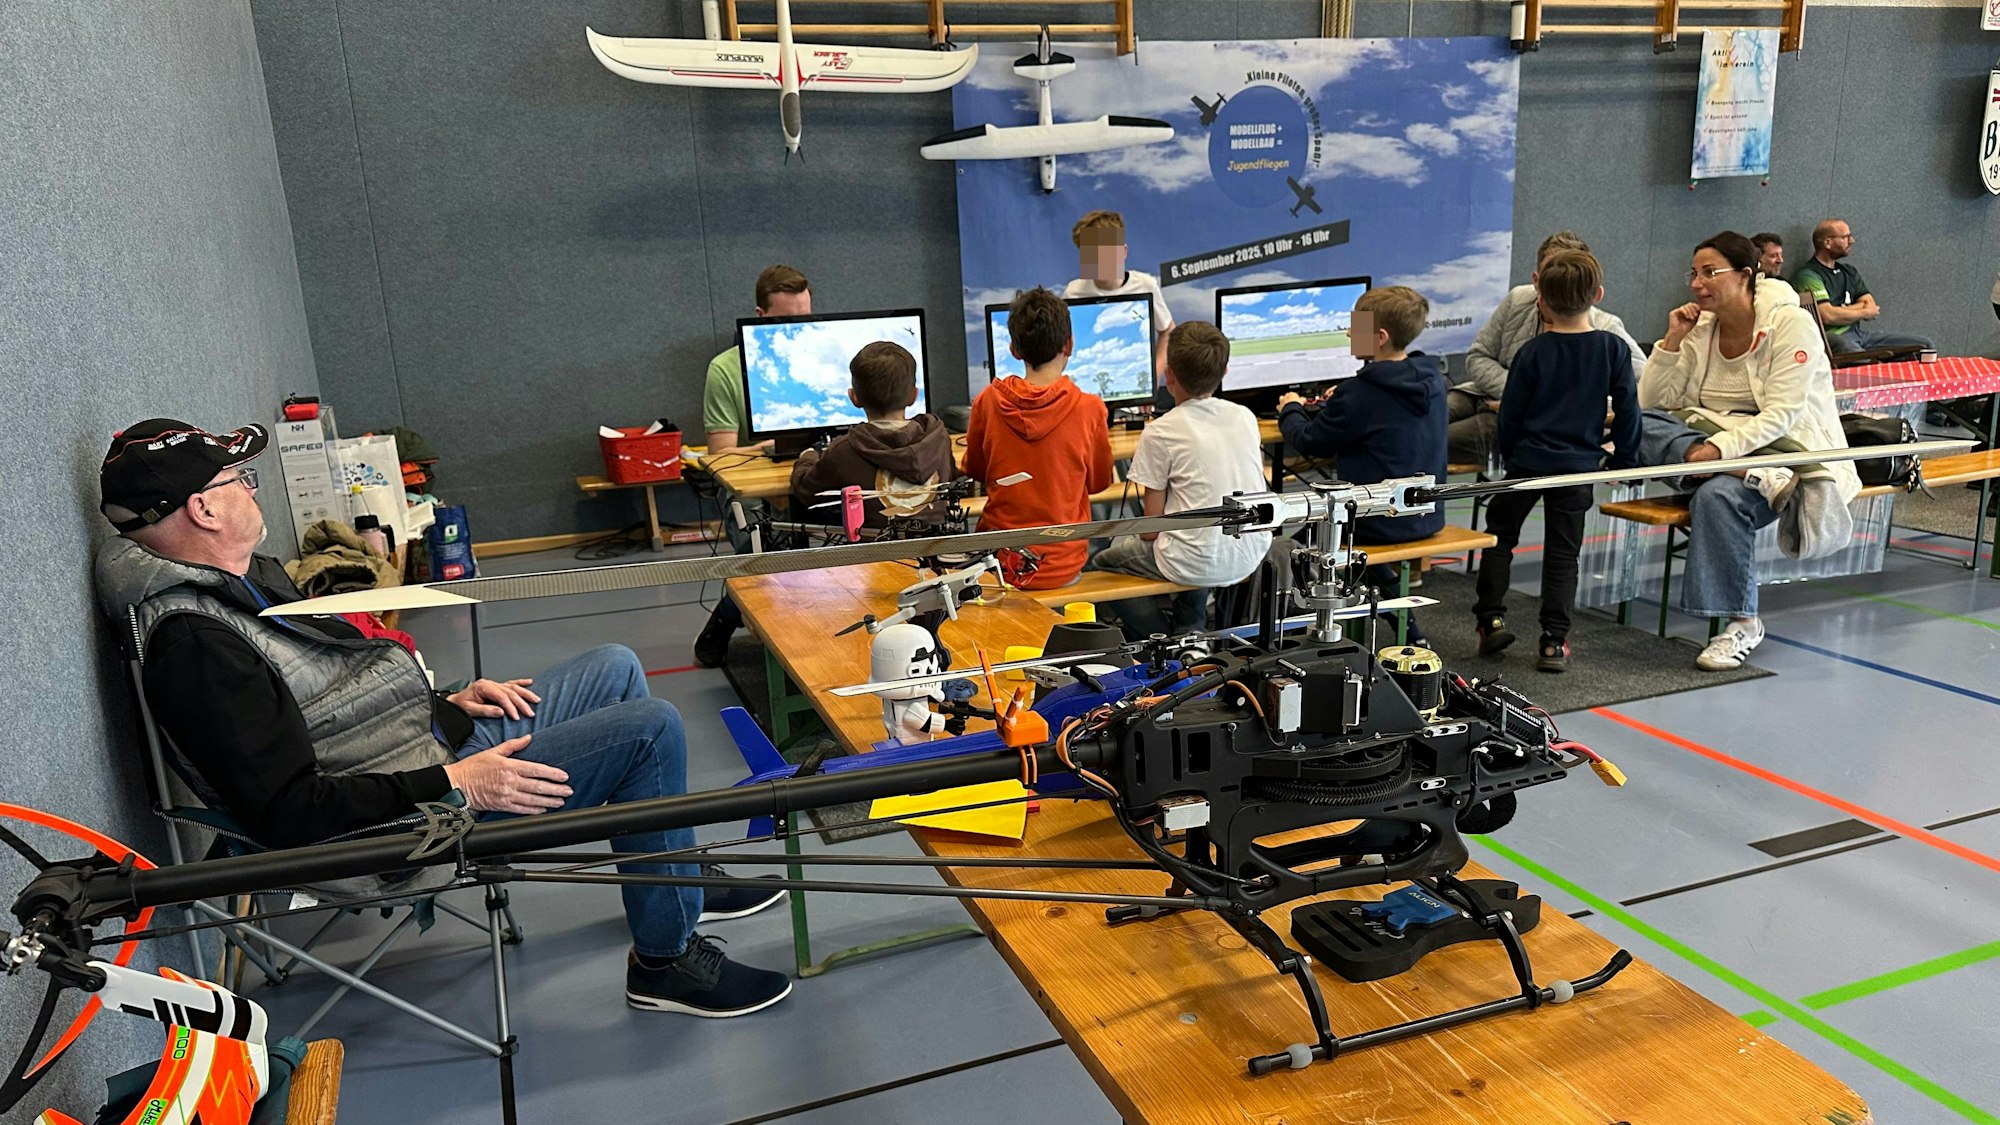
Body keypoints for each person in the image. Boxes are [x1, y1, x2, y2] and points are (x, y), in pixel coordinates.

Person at [92, 419, 791, 1017]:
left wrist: (448, 704)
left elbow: (336, 698)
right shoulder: (196, 642)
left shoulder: (244, 580)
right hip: (404, 823)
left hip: (418, 753)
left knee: (612, 662)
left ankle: (678, 881)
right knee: (653, 728)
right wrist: (457, 780)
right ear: (204, 511)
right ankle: (664, 965)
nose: (250, 487)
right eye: (235, 478)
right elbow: (290, 810)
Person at [1640, 233, 1859, 670]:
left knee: (1717, 497)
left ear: (1745, 276)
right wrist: (1669, 341)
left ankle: (1743, 623)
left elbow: (1782, 415)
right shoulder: (1700, 327)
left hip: (1786, 455)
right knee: (1635, 426)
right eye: (1694, 273)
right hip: (1720, 452)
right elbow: (1651, 403)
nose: (1697, 284)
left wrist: (1718, 448)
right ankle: (1744, 474)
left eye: (1709, 272)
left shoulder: (1791, 325)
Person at [1472, 250, 1641, 673]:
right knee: (1564, 554)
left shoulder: (1533, 352)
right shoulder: (1613, 348)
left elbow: (1510, 415)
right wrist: (1626, 459)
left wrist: (1512, 458)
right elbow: (1628, 409)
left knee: (1499, 537)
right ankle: (1553, 641)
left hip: (1527, 464)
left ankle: (1490, 620)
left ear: (1541, 300)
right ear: (1597, 295)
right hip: (1577, 468)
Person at [1277, 286, 1446, 643]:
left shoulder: (1361, 393)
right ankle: (1412, 634)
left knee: (1290, 549)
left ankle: (1278, 632)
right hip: (1426, 515)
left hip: (1377, 522)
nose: (1349, 333)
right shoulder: (1431, 380)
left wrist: (1290, 407)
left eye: (1356, 327)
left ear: (1380, 337)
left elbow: (1309, 440)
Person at [1089, 322, 1272, 637]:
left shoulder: (1160, 431)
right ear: (1225, 371)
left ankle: (1168, 638)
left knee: (1100, 564)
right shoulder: (1243, 416)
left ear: (1168, 374)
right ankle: (1192, 629)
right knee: (1192, 527)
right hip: (1252, 551)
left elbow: (1150, 531)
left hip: (1194, 559)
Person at [693, 265, 813, 666]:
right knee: (770, 561)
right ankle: (728, 615)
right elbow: (721, 457)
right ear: (759, 318)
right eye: (786, 321)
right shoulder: (725, 370)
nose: (799, 331)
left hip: (817, 478)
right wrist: (768, 448)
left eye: (806, 320)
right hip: (754, 489)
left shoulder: (824, 361)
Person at [962, 288, 1115, 590]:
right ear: (1069, 344)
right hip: (1064, 564)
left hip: (1000, 564)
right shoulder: (1091, 408)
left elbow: (977, 471)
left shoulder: (986, 402)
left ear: (1014, 350)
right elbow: (1098, 483)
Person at [1454, 232, 1644, 466]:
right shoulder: (1517, 300)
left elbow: (1640, 380)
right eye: (1554, 273)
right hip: (1481, 393)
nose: (1563, 280)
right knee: (1427, 415)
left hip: (1528, 423)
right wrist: (1515, 390)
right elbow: (1478, 356)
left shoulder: (1607, 331)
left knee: (1431, 438)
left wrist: (1542, 401)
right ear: (1537, 280)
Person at [789, 341, 957, 526]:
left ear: (854, 397)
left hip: (876, 553)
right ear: (914, 396)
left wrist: (808, 456)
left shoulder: (844, 450)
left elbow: (805, 491)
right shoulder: (938, 438)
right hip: (936, 550)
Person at [1065, 209, 1176, 400]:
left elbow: (1167, 330)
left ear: (1122, 251)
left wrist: (1153, 377)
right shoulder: (1073, 292)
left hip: (1134, 395)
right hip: (1087, 396)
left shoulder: (1144, 285)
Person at [1793, 219, 1933, 355]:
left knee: (1924, 346)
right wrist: (1863, 313)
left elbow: (1870, 305)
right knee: (1866, 363)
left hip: (1860, 335)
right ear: (1828, 243)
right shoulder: (1808, 275)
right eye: (1845, 237)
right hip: (1837, 338)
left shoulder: (1849, 271)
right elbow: (1827, 315)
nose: (1851, 241)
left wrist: (1841, 311)